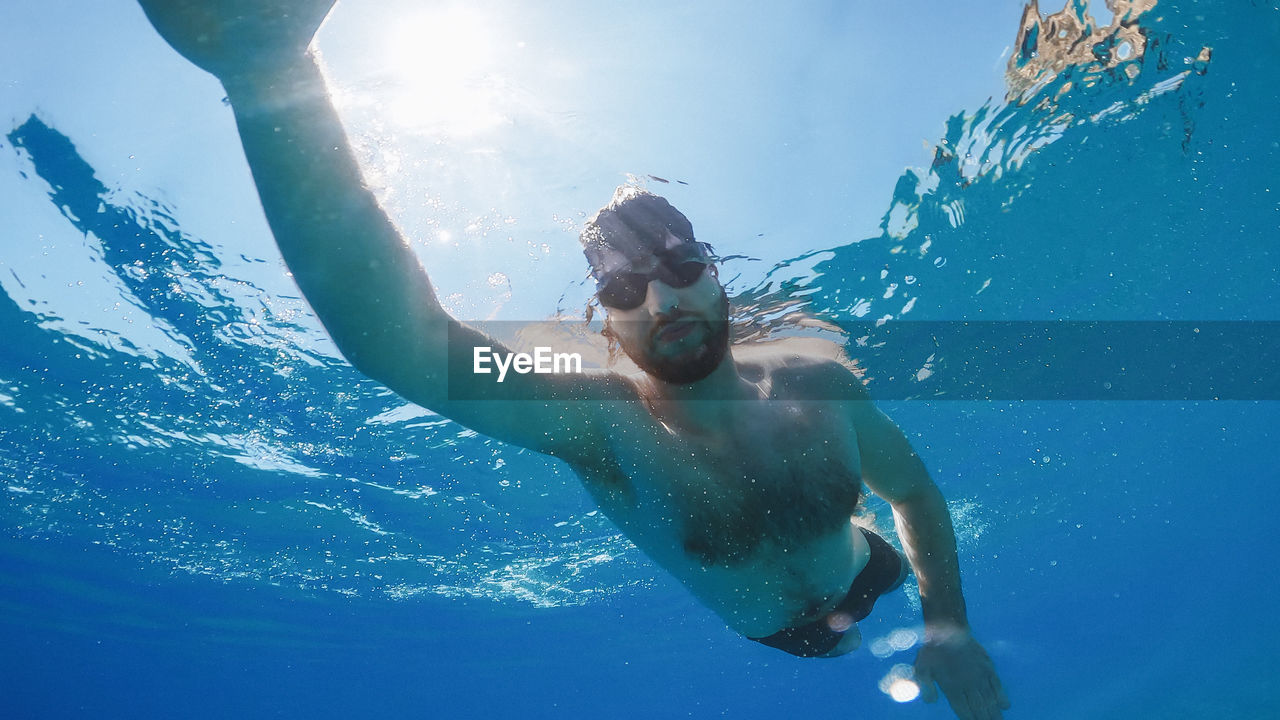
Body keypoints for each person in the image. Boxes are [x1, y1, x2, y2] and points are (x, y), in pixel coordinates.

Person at [137, 2, 1010, 718]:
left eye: (681, 269)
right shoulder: (594, 418)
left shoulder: (821, 389)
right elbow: (401, 348)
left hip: (869, 570)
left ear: (718, 278)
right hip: (784, 637)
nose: (662, 300)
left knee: (874, 581)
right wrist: (269, 72)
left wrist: (948, 624)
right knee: (839, 643)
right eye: (627, 289)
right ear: (603, 322)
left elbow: (913, 492)